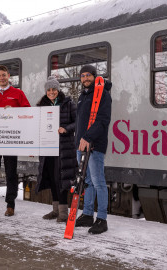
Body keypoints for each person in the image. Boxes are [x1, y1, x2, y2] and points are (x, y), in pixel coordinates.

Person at [0, 65, 31, 216]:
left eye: (4, 75)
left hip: (10, 139)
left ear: (9, 76)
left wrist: (15, 111)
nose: (1, 78)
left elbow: (27, 111)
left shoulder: (17, 93)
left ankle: (10, 205)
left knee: (11, 173)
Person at [74, 65, 112, 234]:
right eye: (82, 76)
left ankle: (102, 219)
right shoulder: (83, 96)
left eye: (88, 75)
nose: (85, 78)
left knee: (98, 182)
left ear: (95, 77)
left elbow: (103, 120)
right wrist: (79, 141)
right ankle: (88, 214)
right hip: (81, 145)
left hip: (94, 144)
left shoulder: (103, 94)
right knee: (87, 181)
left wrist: (88, 137)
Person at [35, 76, 77, 223]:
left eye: (54, 89)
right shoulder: (41, 106)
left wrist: (66, 128)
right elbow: (36, 127)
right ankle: (55, 210)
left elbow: (78, 122)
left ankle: (64, 213)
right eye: (49, 90)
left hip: (64, 148)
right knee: (52, 178)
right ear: (46, 91)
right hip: (48, 149)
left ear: (58, 90)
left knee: (62, 179)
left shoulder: (68, 104)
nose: (51, 92)